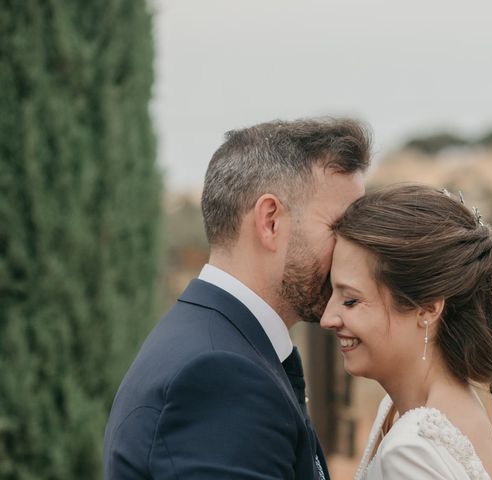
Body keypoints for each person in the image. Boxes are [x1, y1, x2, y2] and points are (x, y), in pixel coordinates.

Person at [103, 118, 371, 479]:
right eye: (339, 228)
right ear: (270, 221)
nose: (351, 251)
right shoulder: (221, 376)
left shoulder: (216, 344)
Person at [320, 184, 492, 480]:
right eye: (331, 293)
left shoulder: (411, 452)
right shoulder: (439, 406)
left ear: (427, 308)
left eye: (350, 300)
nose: (327, 318)